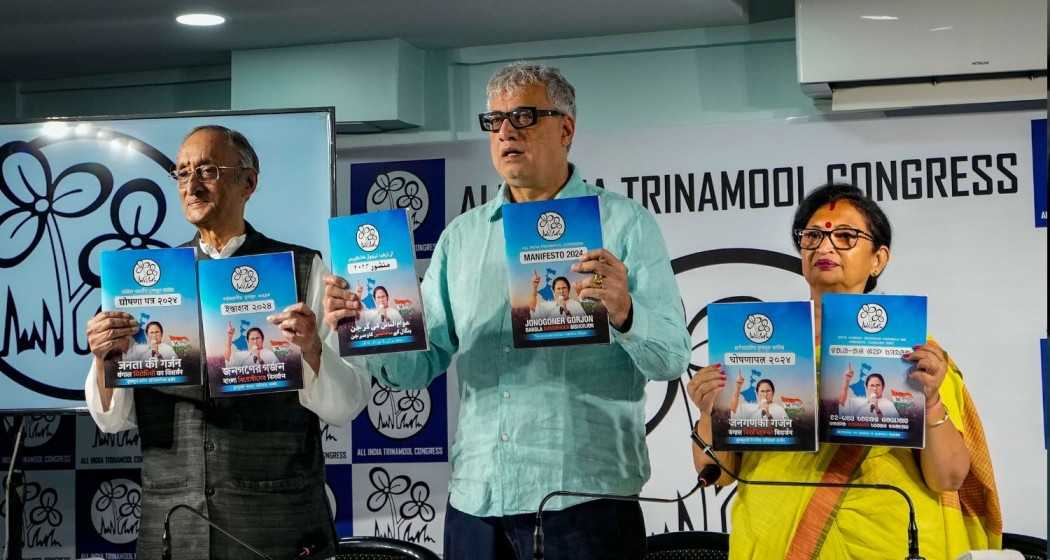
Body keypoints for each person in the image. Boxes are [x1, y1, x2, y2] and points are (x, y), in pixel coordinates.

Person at [323, 61, 690, 560]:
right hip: (477, 496)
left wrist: (625, 312)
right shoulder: (463, 236)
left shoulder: (623, 225)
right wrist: (367, 328)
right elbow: (415, 369)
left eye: (524, 117)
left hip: (583, 498)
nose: (506, 132)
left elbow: (670, 356)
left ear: (566, 128)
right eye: (494, 121)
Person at [83, 125, 370, 560]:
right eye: (182, 173)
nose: (192, 185)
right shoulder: (144, 282)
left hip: (278, 526)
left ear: (248, 182)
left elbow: (345, 405)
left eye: (208, 170)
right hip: (173, 527)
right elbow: (112, 421)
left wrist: (312, 349)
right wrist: (105, 360)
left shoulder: (304, 270)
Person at [687, 183, 1001, 559]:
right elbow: (715, 473)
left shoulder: (912, 352)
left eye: (846, 236)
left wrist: (930, 401)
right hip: (772, 542)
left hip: (883, 544)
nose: (824, 246)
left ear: (878, 259)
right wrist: (709, 410)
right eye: (813, 236)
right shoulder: (757, 349)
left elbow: (947, 478)